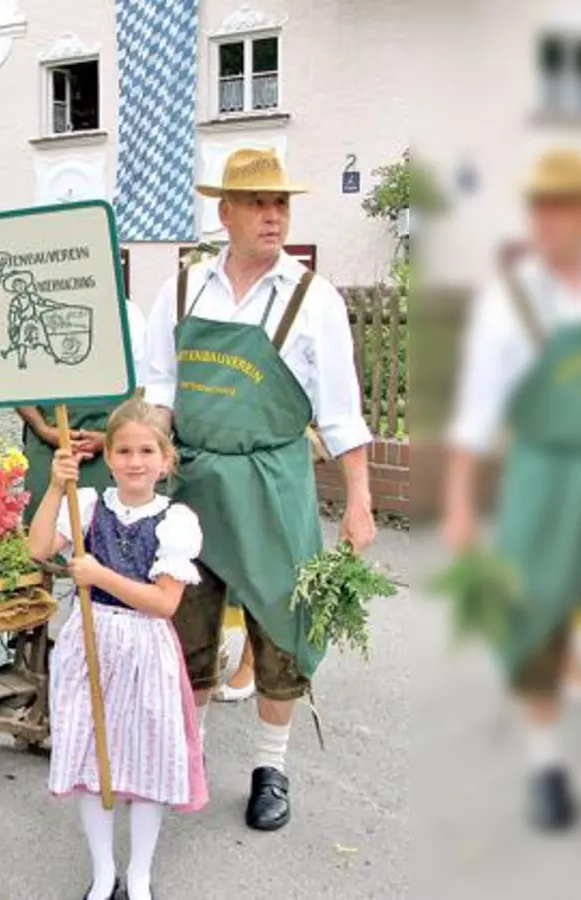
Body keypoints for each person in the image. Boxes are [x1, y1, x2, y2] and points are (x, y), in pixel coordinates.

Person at [142, 148, 375, 832]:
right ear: (226, 213)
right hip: (192, 484)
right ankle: (191, 758)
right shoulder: (183, 289)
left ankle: (271, 766)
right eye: (257, 204)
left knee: (282, 630)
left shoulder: (313, 299)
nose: (273, 216)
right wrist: (149, 448)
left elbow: (340, 413)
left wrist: (358, 501)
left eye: (281, 204)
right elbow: (160, 387)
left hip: (274, 485)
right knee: (187, 628)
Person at [441, 147, 581, 831]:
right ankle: (545, 766)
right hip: (542, 480)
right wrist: (457, 505)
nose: (555, 218)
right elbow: (477, 413)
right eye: (543, 205)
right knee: (535, 625)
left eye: (568, 204)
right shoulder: (508, 303)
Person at [30, 398, 207, 900]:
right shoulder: (87, 504)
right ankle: (104, 870)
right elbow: (38, 548)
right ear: (108, 457)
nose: (134, 461)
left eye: (146, 450)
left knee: (146, 759)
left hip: (145, 647)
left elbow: (164, 603)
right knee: (93, 758)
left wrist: (100, 575)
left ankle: (141, 873)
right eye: (124, 450)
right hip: (90, 642)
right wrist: (54, 487)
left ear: (166, 460)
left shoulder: (176, 521)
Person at [18, 297, 147, 522]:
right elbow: (12, 383)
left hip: (107, 442)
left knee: (105, 528)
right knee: (44, 528)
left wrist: (111, 438)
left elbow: (141, 387)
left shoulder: (126, 314)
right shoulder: (29, 314)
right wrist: (44, 429)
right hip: (46, 442)